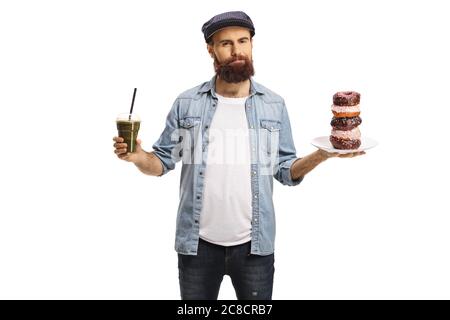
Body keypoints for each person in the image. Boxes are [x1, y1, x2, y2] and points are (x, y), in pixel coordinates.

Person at [112, 11, 364, 300]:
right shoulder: (187, 104)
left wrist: (323, 154)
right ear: (211, 50)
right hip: (197, 246)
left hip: (254, 247)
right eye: (226, 44)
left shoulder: (273, 105)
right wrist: (137, 156)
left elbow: (285, 170)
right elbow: (160, 162)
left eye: (243, 41)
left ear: (252, 44)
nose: (236, 51)